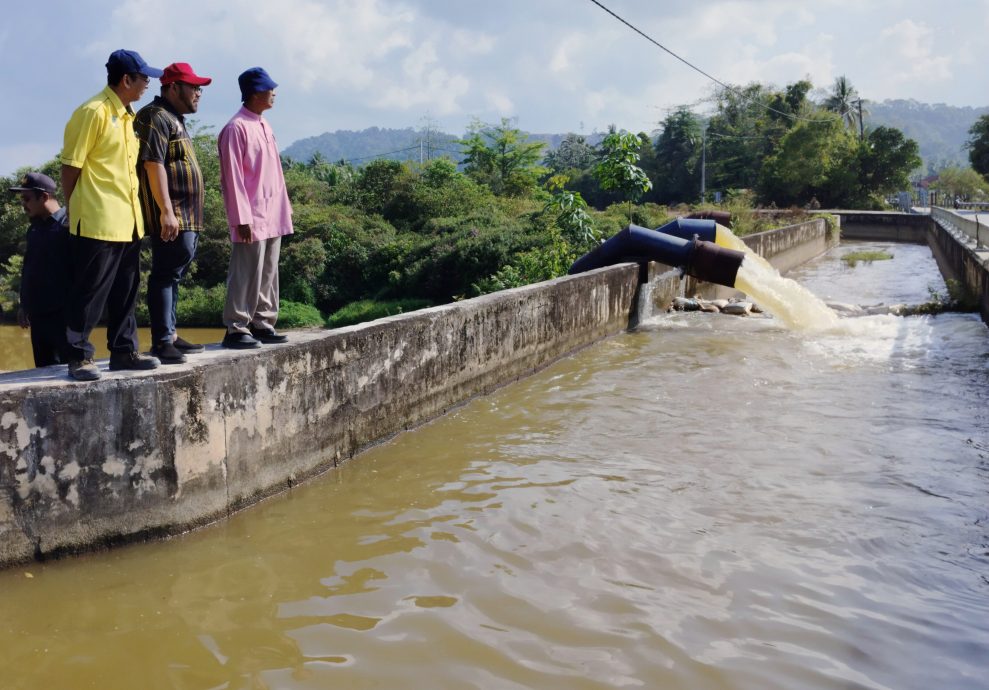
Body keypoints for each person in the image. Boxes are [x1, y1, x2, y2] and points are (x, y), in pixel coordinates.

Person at [60, 49, 163, 381]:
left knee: (126, 290)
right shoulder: (93, 112)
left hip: (129, 219)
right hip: (98, 217)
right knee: (90, 291)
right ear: (126, 80)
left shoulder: (128, 115)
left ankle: (123, 351)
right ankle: (78, 355)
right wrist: (75, 206)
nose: (148, 83)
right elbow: (70, 167)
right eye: (144, 77)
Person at [135, 62, 212, 364]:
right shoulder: (154, 117)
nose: (198, 93)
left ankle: (172, 334)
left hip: (186, 215)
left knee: (174, 274)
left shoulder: (174, 118)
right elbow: (153, 164)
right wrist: (167, 211)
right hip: (172, 214)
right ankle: (162, 341)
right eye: (193, 87)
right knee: (165, 274)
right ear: (172, 87)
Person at [217, 67, 293, 349]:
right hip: (251, 214)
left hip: (274, 212)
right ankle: (237, 327)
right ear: (254, 93)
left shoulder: (264, 124)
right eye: (268, 89)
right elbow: (232, 177)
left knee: (269, 271)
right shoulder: (235, 128)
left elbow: (275, 172)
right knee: (246, 270)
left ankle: (262, 322)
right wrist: (240, 218)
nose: (273, 93)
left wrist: (286, 208)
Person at [9, 172, 71, 367]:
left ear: (44, 196)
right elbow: (29, 268)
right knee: (44, 371)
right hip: (38, 317)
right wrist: (24, 304)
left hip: (65, 318)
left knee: (69, 372)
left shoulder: (69, 225)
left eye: (27, 198)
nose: (23, 204)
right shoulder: (34, 229)